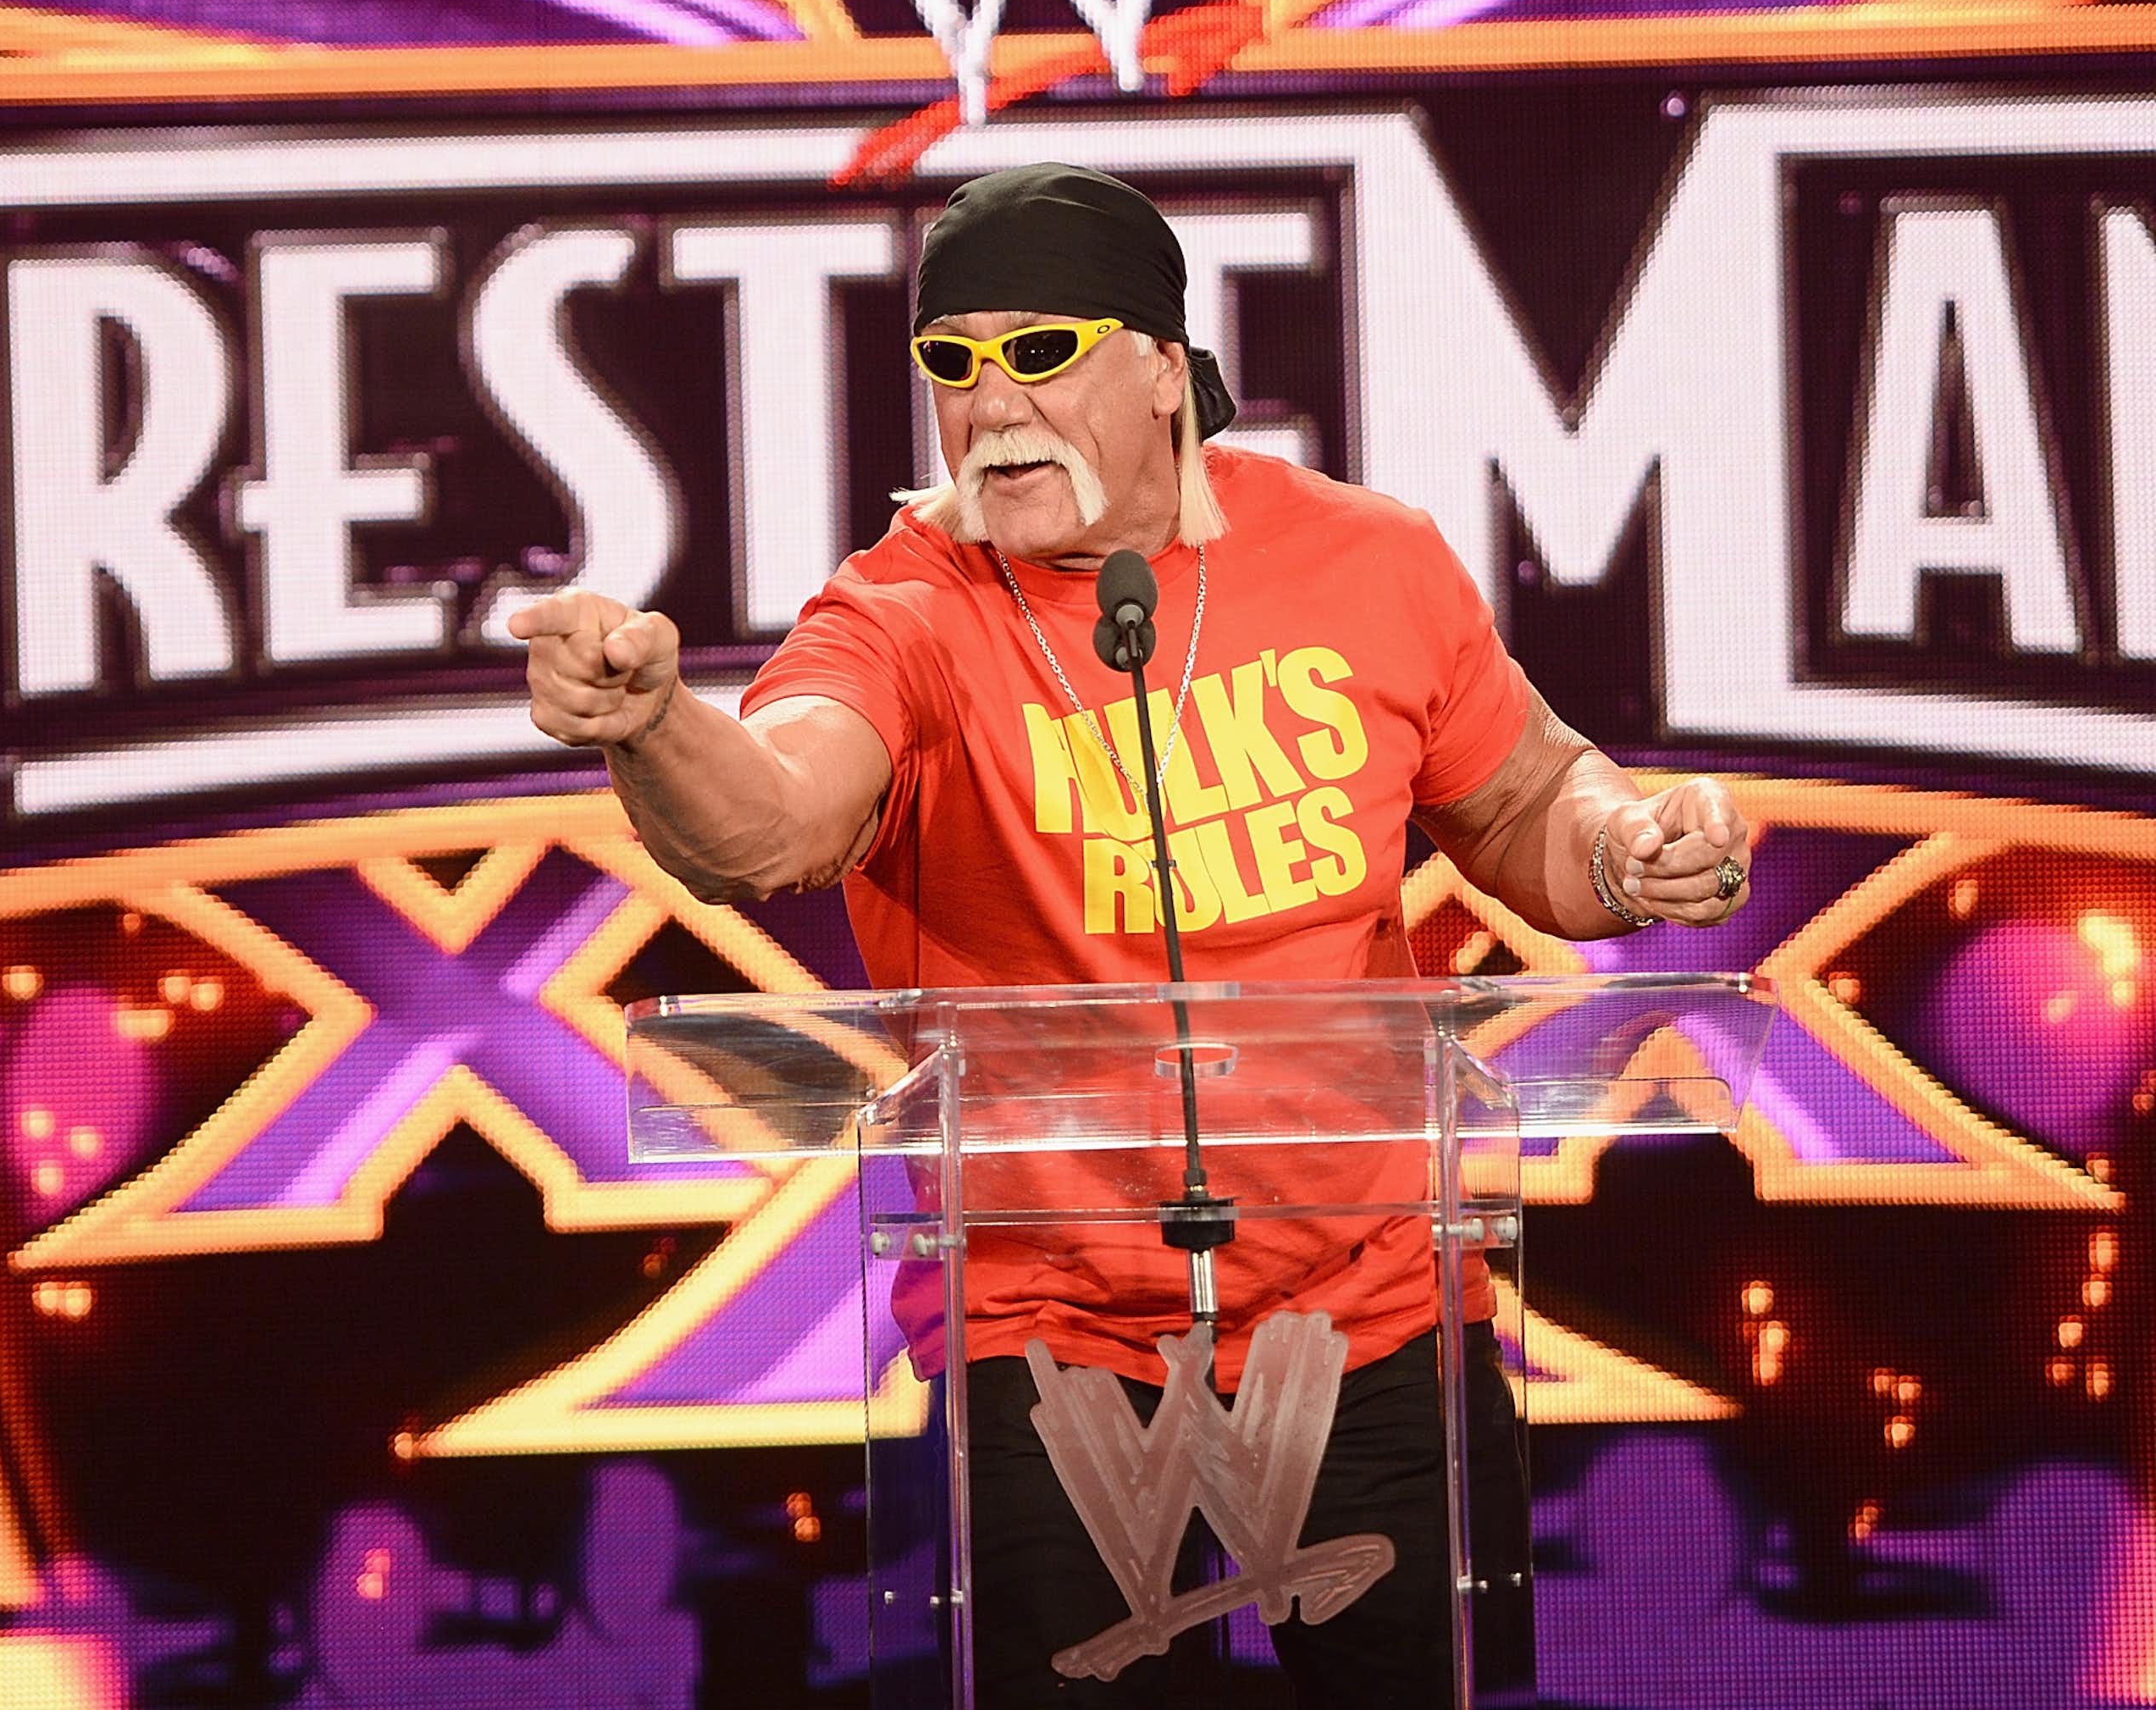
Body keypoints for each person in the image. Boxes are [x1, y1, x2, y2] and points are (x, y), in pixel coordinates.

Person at [512, 163, 1752, 1707]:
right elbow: (768, 817)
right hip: (1050, 1347)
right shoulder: (902, 611)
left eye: (1040, 351)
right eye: (950, 361)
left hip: (1372, 1324)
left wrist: (1632, 853)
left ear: (1163, 368)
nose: (990, 400)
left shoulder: (1370, 559)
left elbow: (1524, 805)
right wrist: (653, 725)